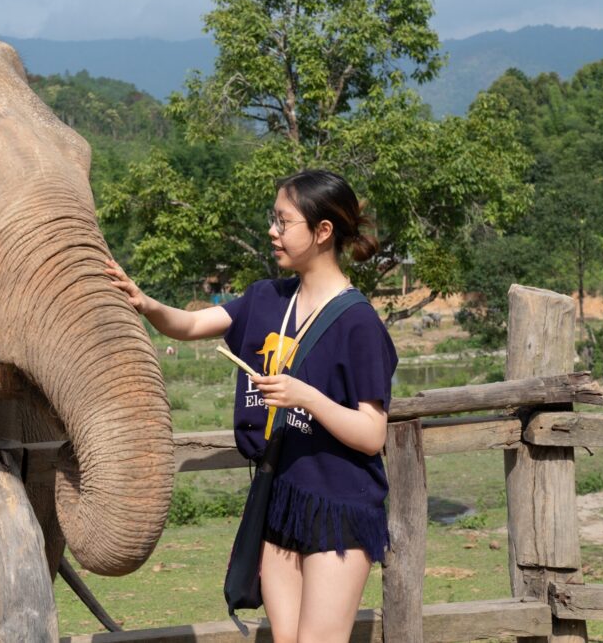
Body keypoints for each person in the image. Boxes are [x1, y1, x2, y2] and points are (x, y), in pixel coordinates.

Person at [106, 168, 397, 643]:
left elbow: (371, 433)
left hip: (339, 506)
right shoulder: (267, 299)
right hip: (278, 497)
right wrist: (146, 303)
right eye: (273, 219)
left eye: (284, 221)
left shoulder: (358, 322)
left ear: (323, 231)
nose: (272, 231)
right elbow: (189, 326)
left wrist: (306, 397)